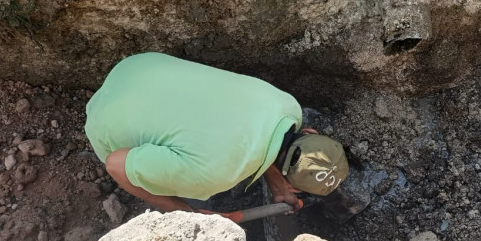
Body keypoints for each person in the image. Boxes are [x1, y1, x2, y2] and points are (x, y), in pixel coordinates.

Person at [85, 52, 349, 217]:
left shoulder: (285, 105)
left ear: (310, 131)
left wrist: (276, 182)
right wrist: (185, 212)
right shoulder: (214, 175)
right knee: (190, 191)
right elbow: (115, 164)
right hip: (104, 119)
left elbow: (263, 134)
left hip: (137, 66)